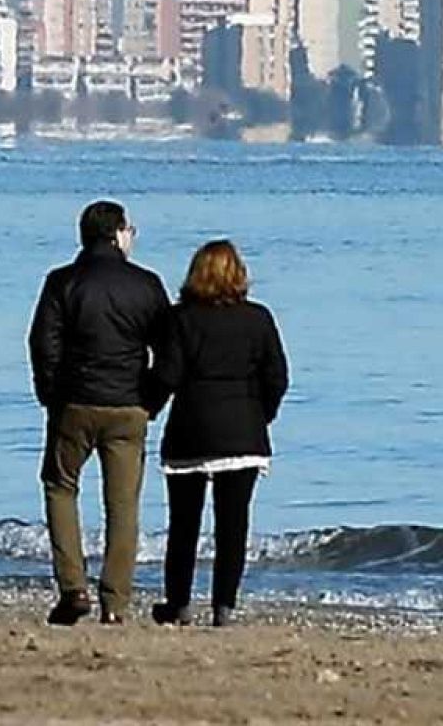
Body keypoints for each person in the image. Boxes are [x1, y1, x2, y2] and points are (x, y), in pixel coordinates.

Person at [28, 200, 170, 625]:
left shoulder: (62, 281)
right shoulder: (145, 284)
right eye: (130, 230)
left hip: (74, 401)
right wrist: (152, 399)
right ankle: (116, 602)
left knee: (60, 488)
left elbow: (43, 343)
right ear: (119, 234)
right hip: (128, 404)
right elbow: (168, 350)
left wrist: (51, 393)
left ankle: (73, 587)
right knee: (123, 505)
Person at [148, 240, 289, 628]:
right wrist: (262, 416)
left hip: (190, 429)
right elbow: (277, 376)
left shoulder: (181, 319)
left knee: (184, 523)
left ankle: (178, 603)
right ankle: (224, 605)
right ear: (239, 274)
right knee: (233, 523)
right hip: (243, 433)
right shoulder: (258, 318)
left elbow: (167, 375)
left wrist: (146, 408)